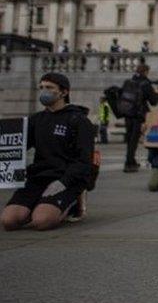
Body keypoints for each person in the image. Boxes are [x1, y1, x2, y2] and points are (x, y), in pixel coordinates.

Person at [2, 73, 95, 231]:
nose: (44, 91)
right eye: (42, 87)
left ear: (64, 92)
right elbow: (17, 147)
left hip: (65, 178)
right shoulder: (36, 120)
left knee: (41, 222)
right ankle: (37, 206)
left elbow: (84, 160)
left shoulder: (79, 121)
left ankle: (73, 204)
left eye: (49, 88)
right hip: (39, 177)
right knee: (8, 221)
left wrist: (64, 181)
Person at [119, 63, 158, 172]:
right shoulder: (145, 84)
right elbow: (154, 101)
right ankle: (129, 163)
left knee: (130, 138)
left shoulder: (129, 82)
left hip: (128, 113)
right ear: (146, 72)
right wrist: (156, 92)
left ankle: (131, 161)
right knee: (134, 139)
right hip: (138, 115)